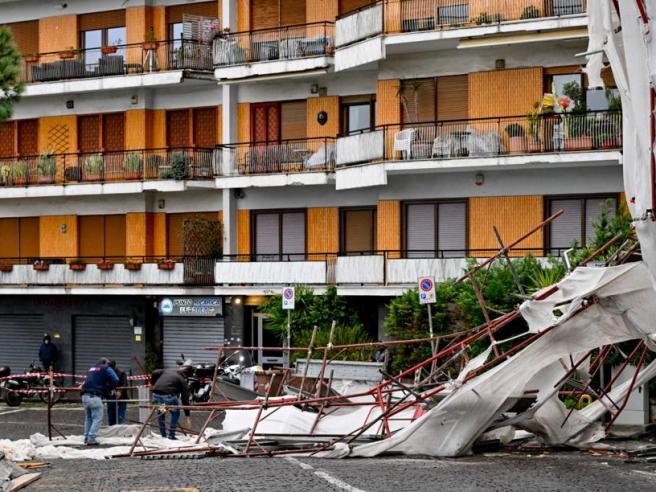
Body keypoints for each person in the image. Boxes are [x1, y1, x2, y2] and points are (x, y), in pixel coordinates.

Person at [80, 358, 118, 446]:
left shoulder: (91, 369)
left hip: (84, 395)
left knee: (88, 418)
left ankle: (86, 437)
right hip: (95, 396)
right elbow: (115, 379)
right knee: (97, 418)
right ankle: (91, 438)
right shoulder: (106, 367)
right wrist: (111, 388)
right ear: (106, 363)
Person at [151, 366, 192, 440]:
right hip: (167, 397)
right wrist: (187, 416)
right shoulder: (182, 380)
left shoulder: (168, 371)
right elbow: (185, 399)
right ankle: (171, 435)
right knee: (175, 413)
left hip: (157, 395)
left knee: (161, 413)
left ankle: (163, 435)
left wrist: (153, 384)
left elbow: (155, 371)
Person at [106, 360, 128, 426]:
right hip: (111, 397)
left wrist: (120, 392)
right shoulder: (107, 373)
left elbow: (125, 384)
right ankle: (112, 431)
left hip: (122, 397)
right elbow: (106, 384)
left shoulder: (122, 373)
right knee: (111, 416)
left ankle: (120, 432)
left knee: (121, 417)